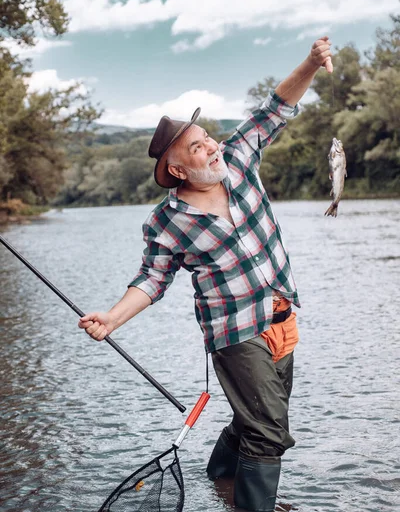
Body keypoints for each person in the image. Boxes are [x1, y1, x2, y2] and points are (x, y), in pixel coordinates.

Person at [78, 37, 333, 512]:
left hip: (281, 316)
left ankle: (221, 476)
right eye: (198, 147)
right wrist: (112, 319)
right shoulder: (165, 221)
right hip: (235, 332)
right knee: (269, 430)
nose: (211, 147)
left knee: (254, 420)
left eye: (208, 137)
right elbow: (152, 280)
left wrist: (312, 63)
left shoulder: (237, 159)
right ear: (177, 169)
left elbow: (276, 108)